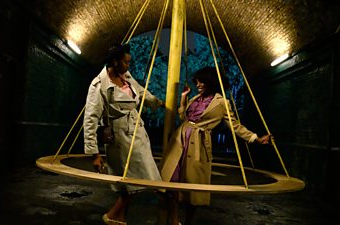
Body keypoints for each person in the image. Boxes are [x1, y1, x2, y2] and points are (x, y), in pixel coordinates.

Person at [158, 66, 271, 225]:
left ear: (211, 82)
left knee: (194, 187)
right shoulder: (194, 99)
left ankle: (188, 221)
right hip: (179, 141)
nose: (198, 85)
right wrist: (184, 97)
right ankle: (174, 220)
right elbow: (182, 114)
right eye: (197, 81)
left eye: (201, 82)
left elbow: (235, 125)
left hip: (199, 144)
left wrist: (255, 138)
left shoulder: (222, 103)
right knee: (171, 181)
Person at [83, 43, 165, 225]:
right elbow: (90, 119)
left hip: (137, 132)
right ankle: (112, 215)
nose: (129, 66)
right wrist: (94, 154)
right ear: (115, 61)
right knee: (137, 181)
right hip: (120, 139)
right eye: (126, 62)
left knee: (134, 182)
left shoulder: (125, 76)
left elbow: (140, 91)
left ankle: (119, 218)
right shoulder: (99, 86)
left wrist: (158, 103)